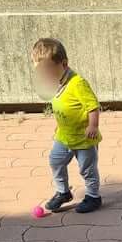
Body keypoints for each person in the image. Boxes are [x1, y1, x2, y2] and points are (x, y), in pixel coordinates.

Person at [32, 36, 102, 214]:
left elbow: (92, 106)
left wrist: (93, 126)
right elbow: (62, 107)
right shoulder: (56, 82)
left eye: (48, 69)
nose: (45, 75)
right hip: (64, 136)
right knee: (55, 161)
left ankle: (93, 197)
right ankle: (63, 192)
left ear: (64, 63)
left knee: (87, 169)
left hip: (84, 138)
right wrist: (59, 125)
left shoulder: (78, 83)